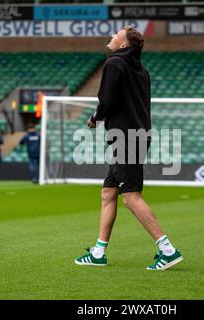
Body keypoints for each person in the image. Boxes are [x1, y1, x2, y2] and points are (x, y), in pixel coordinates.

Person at [75, 26, 183, 270]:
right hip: (136, 134)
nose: (112, 37)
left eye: (116, 35)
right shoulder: (142, 71)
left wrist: (95, 117)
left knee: (131, 198)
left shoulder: (114, 64)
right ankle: (98, 252)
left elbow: (107, 100)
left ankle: (167, 250)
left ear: (124, 45)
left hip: (125, 136)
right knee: (108, 193)